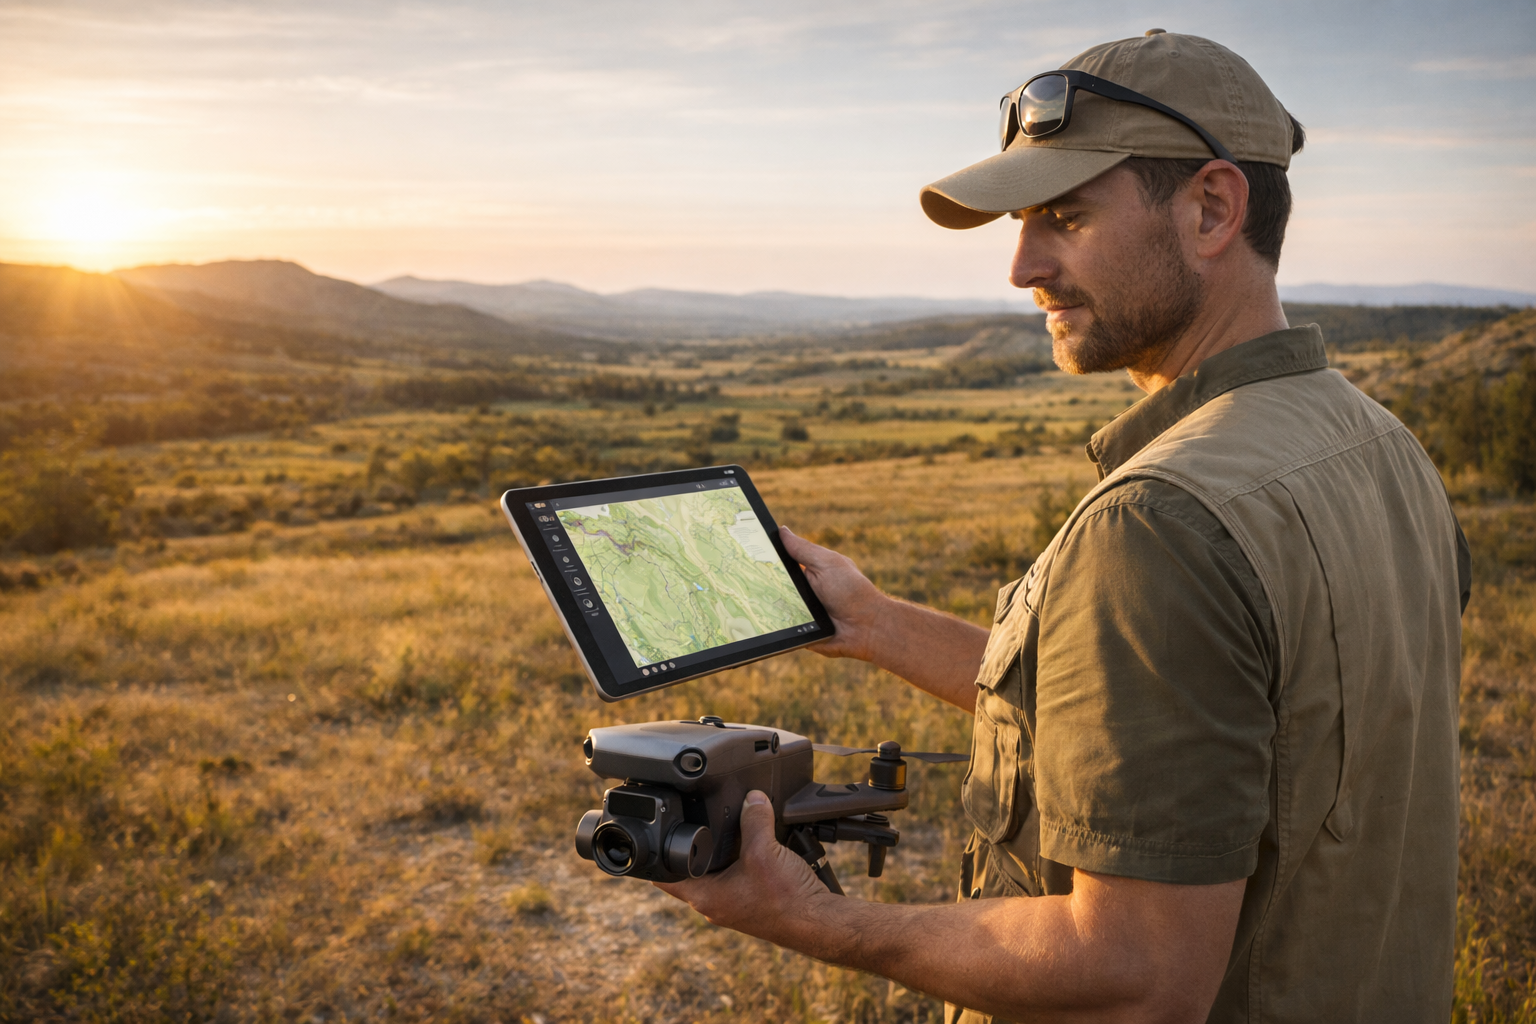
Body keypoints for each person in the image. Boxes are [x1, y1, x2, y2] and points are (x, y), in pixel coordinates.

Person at [657, 29, 1470, 1023]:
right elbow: (1193, 717)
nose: (1021, 266)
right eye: (1022, 222)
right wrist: (873, 622)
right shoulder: (1380, 446)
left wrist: (813, 916)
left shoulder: (1162, 521)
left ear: (1213, 209)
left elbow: (1134, 975)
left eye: (1067, 217)